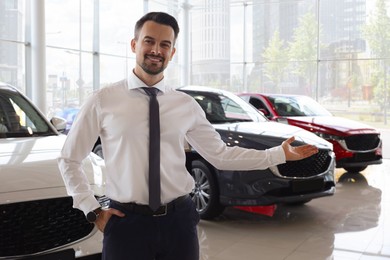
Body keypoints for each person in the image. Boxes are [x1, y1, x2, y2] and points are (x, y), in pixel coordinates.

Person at [58, 11, 318, 260]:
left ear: (172, 52)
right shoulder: (104, 100)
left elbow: (220, 155)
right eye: (149, 41)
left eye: (164, 44)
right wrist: (92, 209)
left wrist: (278, 154)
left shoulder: (185, 105)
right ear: (134, 44)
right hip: (126, 223)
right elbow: (69, 159)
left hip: (178, 221)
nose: (156, 50)